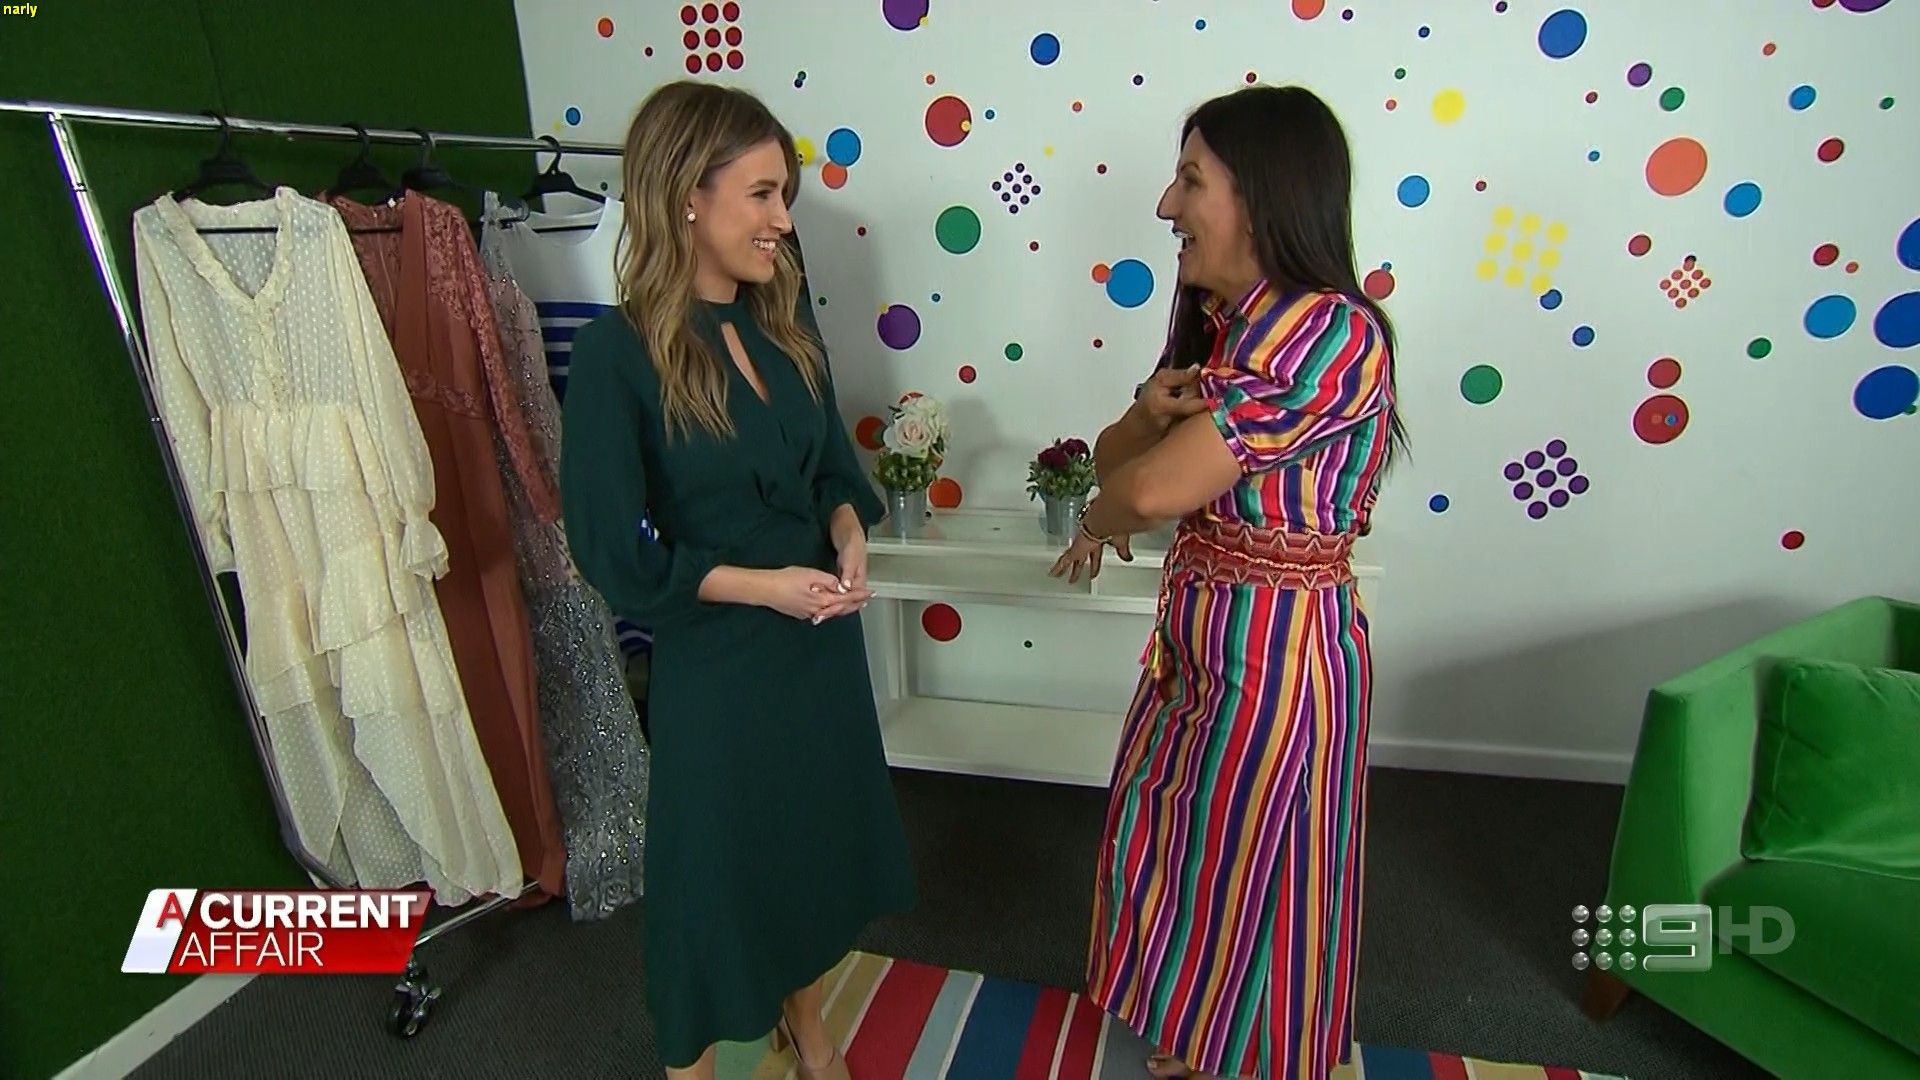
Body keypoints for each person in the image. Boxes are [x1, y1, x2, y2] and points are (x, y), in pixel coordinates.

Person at [559, 80, 918, 1080]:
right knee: (712, 881)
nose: (783, 221)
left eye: (783, 197)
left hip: (816, 643)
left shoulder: (786, 325)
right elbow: (609, 550)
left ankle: (807, 1025)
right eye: (762, 195)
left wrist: (846, 527)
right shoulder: (617, 353)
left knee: (803, 850)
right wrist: (763, 588)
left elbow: (833, 469)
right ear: (687, 196)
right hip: (720, 658)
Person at [1052, 84, 1407, 1080]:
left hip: (1280, 655)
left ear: (1262, 195)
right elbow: (1118, 454)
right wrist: (1144, 414)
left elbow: (1149, 488)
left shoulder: (1331, 331)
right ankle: (1206, 1031)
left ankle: (1258, 1048)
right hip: (1203, 639)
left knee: (1262, 856)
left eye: (1190, 181)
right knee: (1185, 835)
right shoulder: (1229, 325)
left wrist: (1102, 515)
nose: (1166, 206)